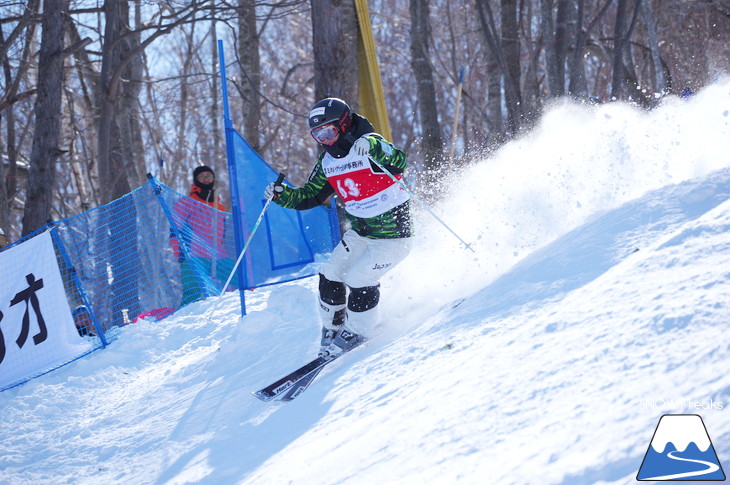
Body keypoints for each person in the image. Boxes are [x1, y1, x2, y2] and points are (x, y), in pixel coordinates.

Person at [264, 97, 413, 357]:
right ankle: (333, 328)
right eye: (318, 135)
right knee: (330, 273)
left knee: (359, 278)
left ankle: (358, 331)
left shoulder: (369, 143)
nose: (325, 139)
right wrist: (281, 195)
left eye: (329, 131)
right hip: (361, 235)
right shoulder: (327, 162)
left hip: (393, 237)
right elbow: (309, 196)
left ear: (344, 124)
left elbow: (399, 161)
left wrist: (373, 147)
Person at [170, 165, 236, 305]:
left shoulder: (220, 205)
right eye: (202, 176)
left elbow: (223, 234)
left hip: (218, 255)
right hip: (193, 255)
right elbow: (174, 232)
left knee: (239, 279)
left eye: (209, 176)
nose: (206, 179)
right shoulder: (185, 202)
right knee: (192, 292)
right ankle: (181, 320)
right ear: (196, 180)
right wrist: (180, 255)